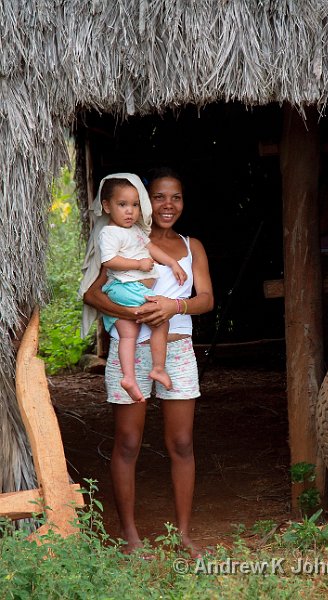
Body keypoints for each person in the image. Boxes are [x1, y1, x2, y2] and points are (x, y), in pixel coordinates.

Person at [81, 167, 214, 557]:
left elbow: (206, 299)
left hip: (177, 350)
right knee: (127, 443)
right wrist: (136, 315)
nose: (167, 205)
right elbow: (92, 294)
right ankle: (130, 535)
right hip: (133, 350)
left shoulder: (193, 247)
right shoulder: (127, 243)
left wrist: (174, 305)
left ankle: (184, 535)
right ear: (143, 200)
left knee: (183, 442)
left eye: (176, 197)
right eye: (158, 197)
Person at [98, 175, 187, 402]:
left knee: (129, 334)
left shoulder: (136, 231)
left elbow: (152, 248)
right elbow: (109, 261)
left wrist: (173, 263)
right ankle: (158, 368)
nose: (130, 211)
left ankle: (128, 378)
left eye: (135, 205)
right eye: (122, 205)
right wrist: (138, 264)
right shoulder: (109, 233)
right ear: (107, 206)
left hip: (130, 289)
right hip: (125, 287)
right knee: (160, 318)